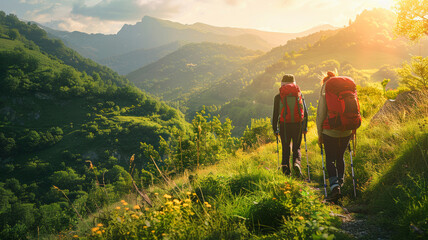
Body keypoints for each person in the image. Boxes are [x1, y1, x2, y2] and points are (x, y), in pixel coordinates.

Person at [316, 71, 353, 201]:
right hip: (347, 129)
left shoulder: (326, 89)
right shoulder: (347, 87)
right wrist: (352, 130)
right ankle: (341, 182)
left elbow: (321, 113)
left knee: (330, 159)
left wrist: (319, 134)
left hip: (329, 131)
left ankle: (335, 186)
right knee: (340, 157)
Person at [272, 74, 308, 177]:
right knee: (296, 147)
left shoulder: (278, 96)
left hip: (284, 125)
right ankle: (297, 164)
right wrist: (304, 127)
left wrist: (275, 129)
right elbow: (305, 112)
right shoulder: (299, 94)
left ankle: (286, 172)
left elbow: (275, 114)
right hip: (297, 124)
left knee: (285, 147)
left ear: (282, 84)